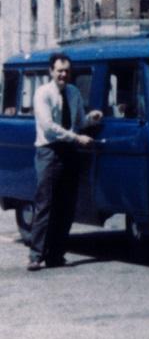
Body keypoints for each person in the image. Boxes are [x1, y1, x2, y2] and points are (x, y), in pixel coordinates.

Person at [27, 53, 103, 271]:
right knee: (45, 205)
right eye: (59, 70)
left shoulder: (74, 92)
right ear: (51, 71)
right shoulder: (42, 94)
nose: (63, 74)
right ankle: (36, 256)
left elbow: (78, 121)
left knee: (66, 206)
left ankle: (56, 255)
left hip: (69, 152)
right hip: (49, 152)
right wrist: (77, 138)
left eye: (67, 70)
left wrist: (92, 118)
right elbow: (49, 126)